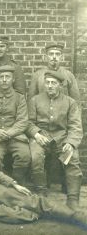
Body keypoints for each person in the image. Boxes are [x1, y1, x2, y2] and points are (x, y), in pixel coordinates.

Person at [28, 70, 83, 210]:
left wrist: (70, 143)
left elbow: (75, 126)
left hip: (62, 139)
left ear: (60, 85)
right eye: (47, 83)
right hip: (41, 138)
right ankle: (41, 192)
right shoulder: (35, 100)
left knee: (73, 158)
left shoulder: (70, 103)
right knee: (36, 156)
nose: (50, 86)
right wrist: (36, 134)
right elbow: (28, 122)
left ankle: (73, 198)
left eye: (54, 83)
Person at [0, 65, 31, 185]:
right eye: (1, 77)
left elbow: (22, 121)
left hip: (16, 137)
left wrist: (8, 133)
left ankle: (17, 183)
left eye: (7, 77)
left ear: (13, 79)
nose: (4, 80)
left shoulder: (19, 97)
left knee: (24, 156)